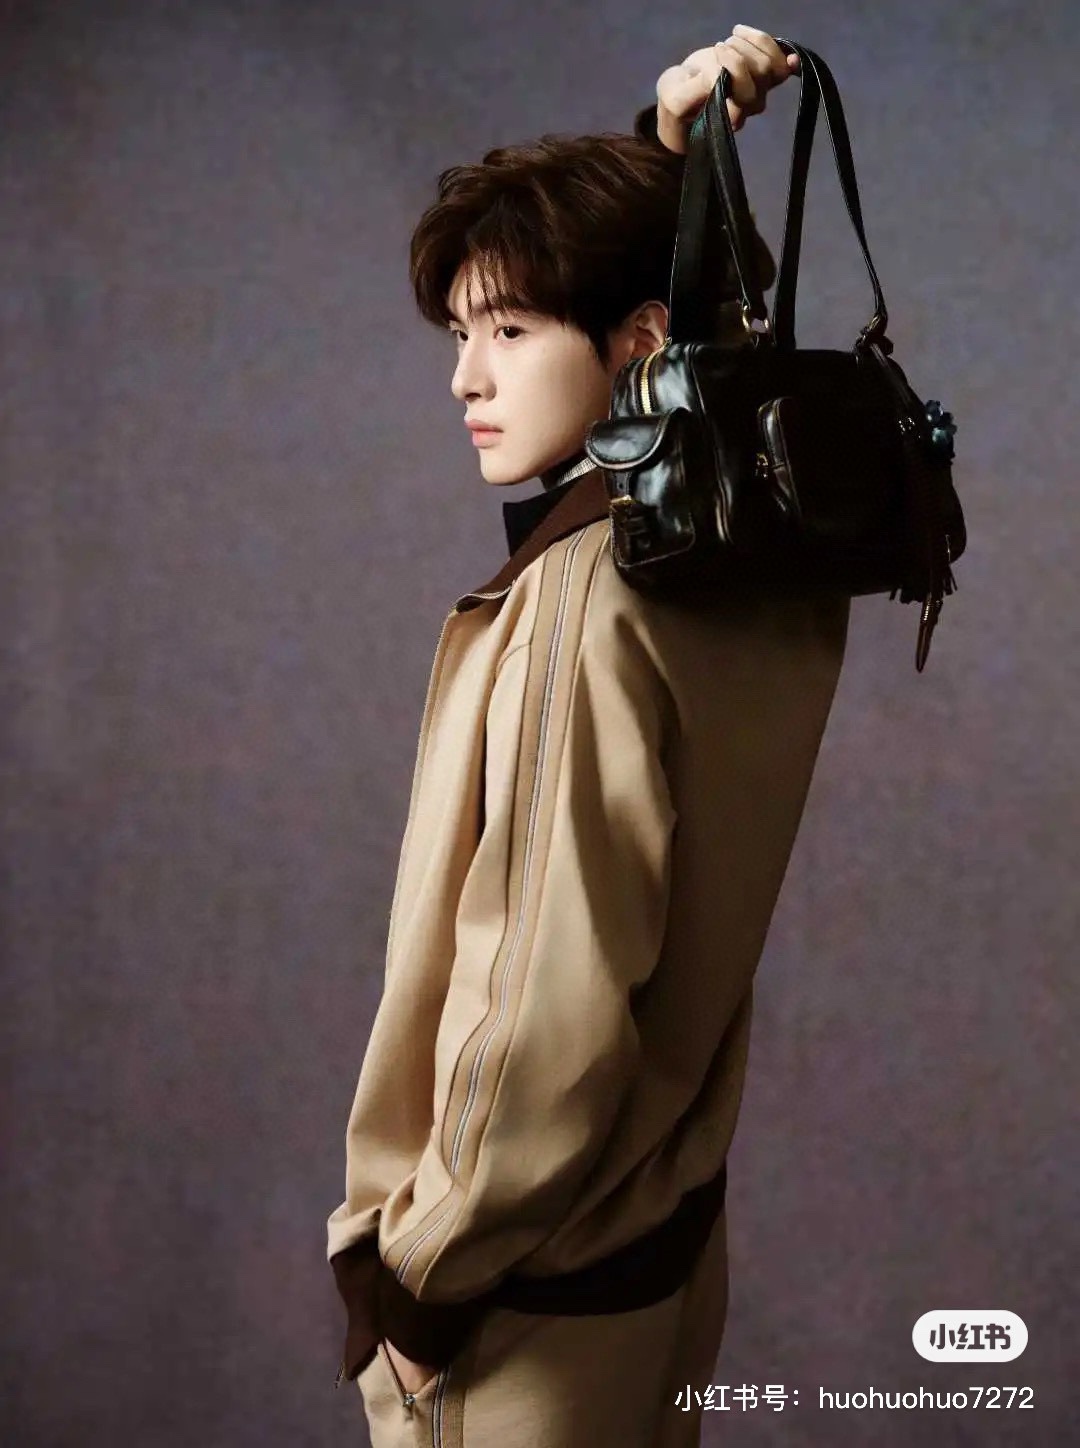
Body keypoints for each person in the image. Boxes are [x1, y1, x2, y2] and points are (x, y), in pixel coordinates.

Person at [328, 28, 845, 1447]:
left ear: (637, 342)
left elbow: (544, 997)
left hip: (520, 1302)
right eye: (460, 336)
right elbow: (708, 364)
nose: (466, 381)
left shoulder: (583, 599)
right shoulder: (762, 558)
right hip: (662, 1254)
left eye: (508, 332)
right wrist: (676, 159)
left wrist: (417, 1277)